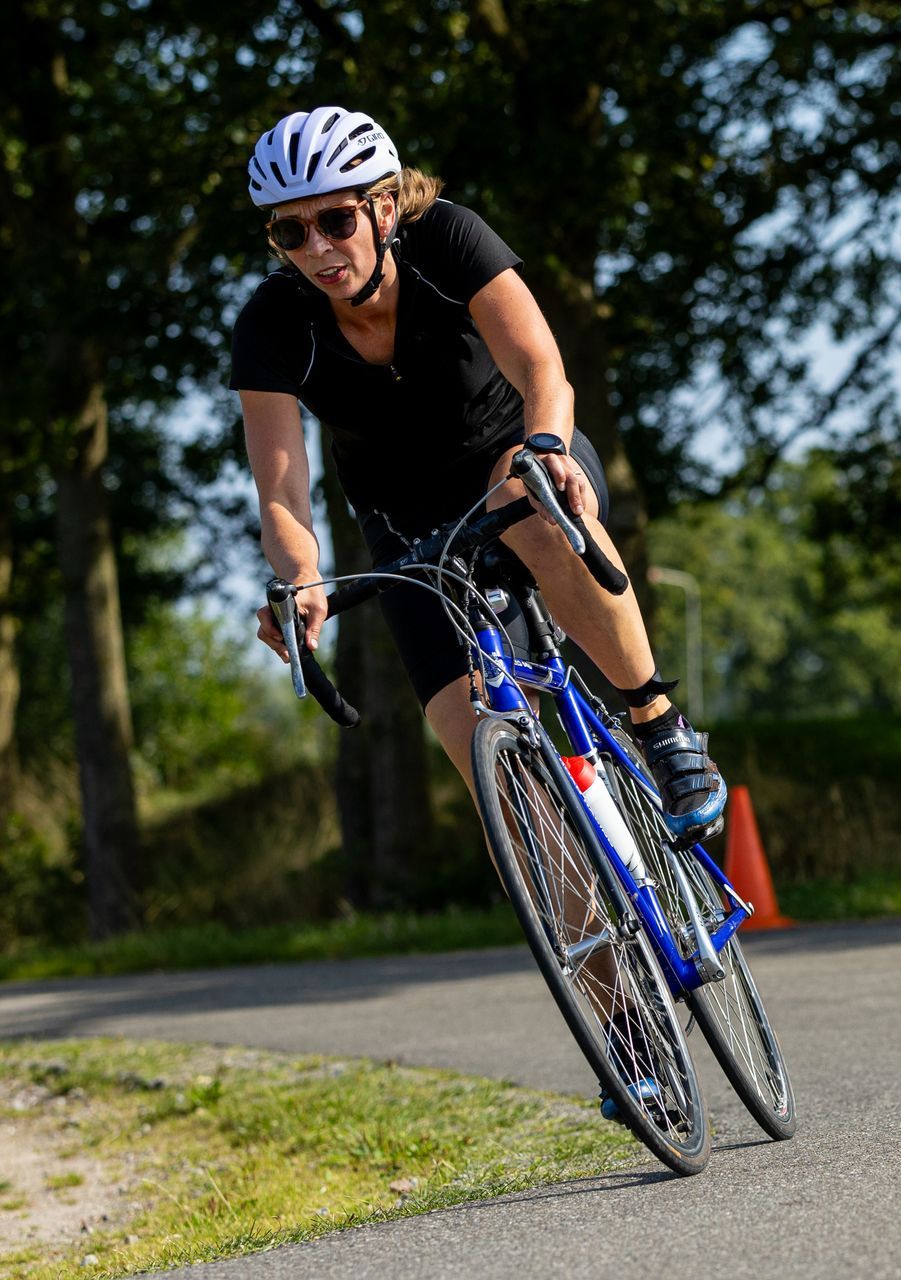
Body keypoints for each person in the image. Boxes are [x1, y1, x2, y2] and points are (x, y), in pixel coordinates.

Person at [230, 106, 726, 846]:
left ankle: (659, 724)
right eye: (290, 231)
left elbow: (541, 368)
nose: (318, 248)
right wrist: (300, 581)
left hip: (521, 453)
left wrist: (550, 445)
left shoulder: (450, 239)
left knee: (520, 489)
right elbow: (282, 491)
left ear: (385, 206)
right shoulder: (271, 323)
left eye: (335, 220)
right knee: (492, 777)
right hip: (406, 524)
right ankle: (583, 944)